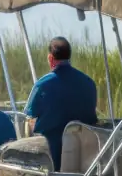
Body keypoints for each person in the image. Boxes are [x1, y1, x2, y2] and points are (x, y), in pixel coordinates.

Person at [25, 36, 98, 169]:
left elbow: (31, 116)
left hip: (52, 157)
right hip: (85, 158)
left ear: (50, 58)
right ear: (69, 56)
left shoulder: (42, 85)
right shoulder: (89, 83)